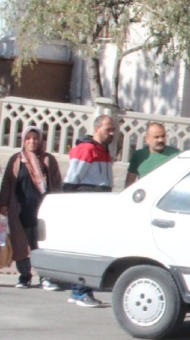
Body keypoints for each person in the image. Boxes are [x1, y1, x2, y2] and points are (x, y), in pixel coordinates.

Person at [62, 114, 117, 307]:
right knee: (85, 249)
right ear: (97, 129)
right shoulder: (87, 149)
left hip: (98, 202)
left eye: (113, 130)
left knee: (90, 248)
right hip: (87, 203)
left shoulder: (104, 151)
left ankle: (80, 291)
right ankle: (80, 292)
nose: (111, 133)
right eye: (108, 129)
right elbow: (72, 178)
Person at [0, 126, 64, 289]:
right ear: (23, 140)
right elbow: (7, 182)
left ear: (40, 140)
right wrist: (3, 204)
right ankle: (24, 277)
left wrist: (58, 204)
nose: (32, 142)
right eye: (28, 138)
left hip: (43, 211)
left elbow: (56, 184)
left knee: (42, 245)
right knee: (22, 244)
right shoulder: (16, 160)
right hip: (21, 210)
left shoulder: (48, 160)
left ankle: (45, 278)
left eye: (35, 138)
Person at [125, 121, 180, 187]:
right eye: (156, 137)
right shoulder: (139, 155)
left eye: (163, 136)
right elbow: (130, 181)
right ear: (147, 139)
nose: (160, 140)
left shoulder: (176, 155)